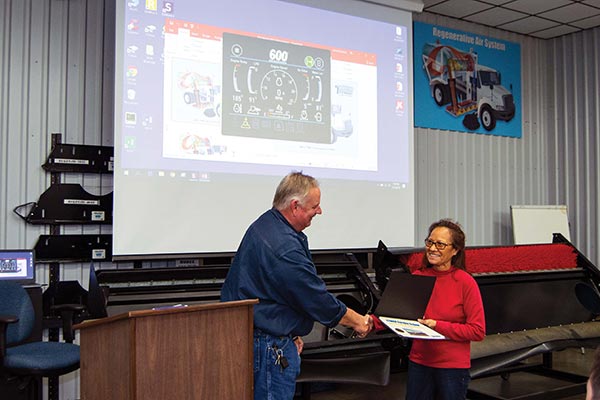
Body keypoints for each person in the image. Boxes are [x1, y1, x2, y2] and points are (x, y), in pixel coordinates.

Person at [220, 171, 373, 400]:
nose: (319, 211)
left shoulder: (267, 224)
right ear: (295, 206)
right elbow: (313, 297)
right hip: (270, 347)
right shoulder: (284, 247)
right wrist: (358, 321)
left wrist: (290, 331)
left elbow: (276, 292)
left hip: (262, 337)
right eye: (315, 206)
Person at [405, 219, 486, 400]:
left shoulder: (465, 282)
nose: (433, 248)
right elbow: (398, 312)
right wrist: (369, 322)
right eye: (430, 242)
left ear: (455, 250)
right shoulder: (417, 277)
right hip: (419, 363)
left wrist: (437, 326)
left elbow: (477, 330)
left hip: (452, 369)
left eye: (440, 244)